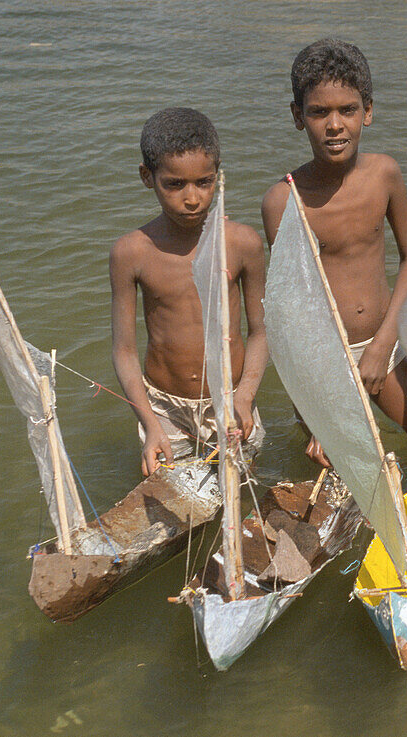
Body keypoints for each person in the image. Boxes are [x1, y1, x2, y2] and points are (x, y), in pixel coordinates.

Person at [261, 38, 407, 471]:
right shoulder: (285, 200)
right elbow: (291, 310)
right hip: (322, 359)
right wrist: (318, 403)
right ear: (298, 117)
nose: (334, 125)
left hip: (382, 343)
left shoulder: (384, 174)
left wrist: (383, 345)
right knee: (338, 466)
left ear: (367, 111)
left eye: (347, 110)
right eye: (319, 112)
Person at [111, 107, 267, 475]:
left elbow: (261, 330)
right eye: (175, 184)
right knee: (170, 505)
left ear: (218, 177)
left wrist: (244, 397)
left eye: (204, 182)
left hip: (230, 402)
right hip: (164, 408)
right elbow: (124, 350)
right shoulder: (131, 252)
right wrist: (150, 425)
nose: (192, 198)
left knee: (239, 496)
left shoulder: (242, 243)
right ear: (147, 177)